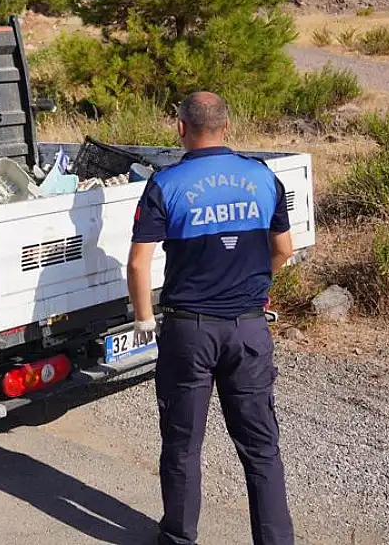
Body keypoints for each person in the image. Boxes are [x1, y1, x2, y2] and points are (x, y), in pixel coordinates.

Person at [127, 91, 296, 545]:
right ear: (227, 125)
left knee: (183, 445)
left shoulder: (166, 183)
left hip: (189, 332)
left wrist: (144, 322)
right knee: (261, 447)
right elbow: (283, 250)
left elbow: (140, 264)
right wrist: (254, 287)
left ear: (181, 128)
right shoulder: (263, 178)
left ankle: (179, 538)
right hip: (248, 329)